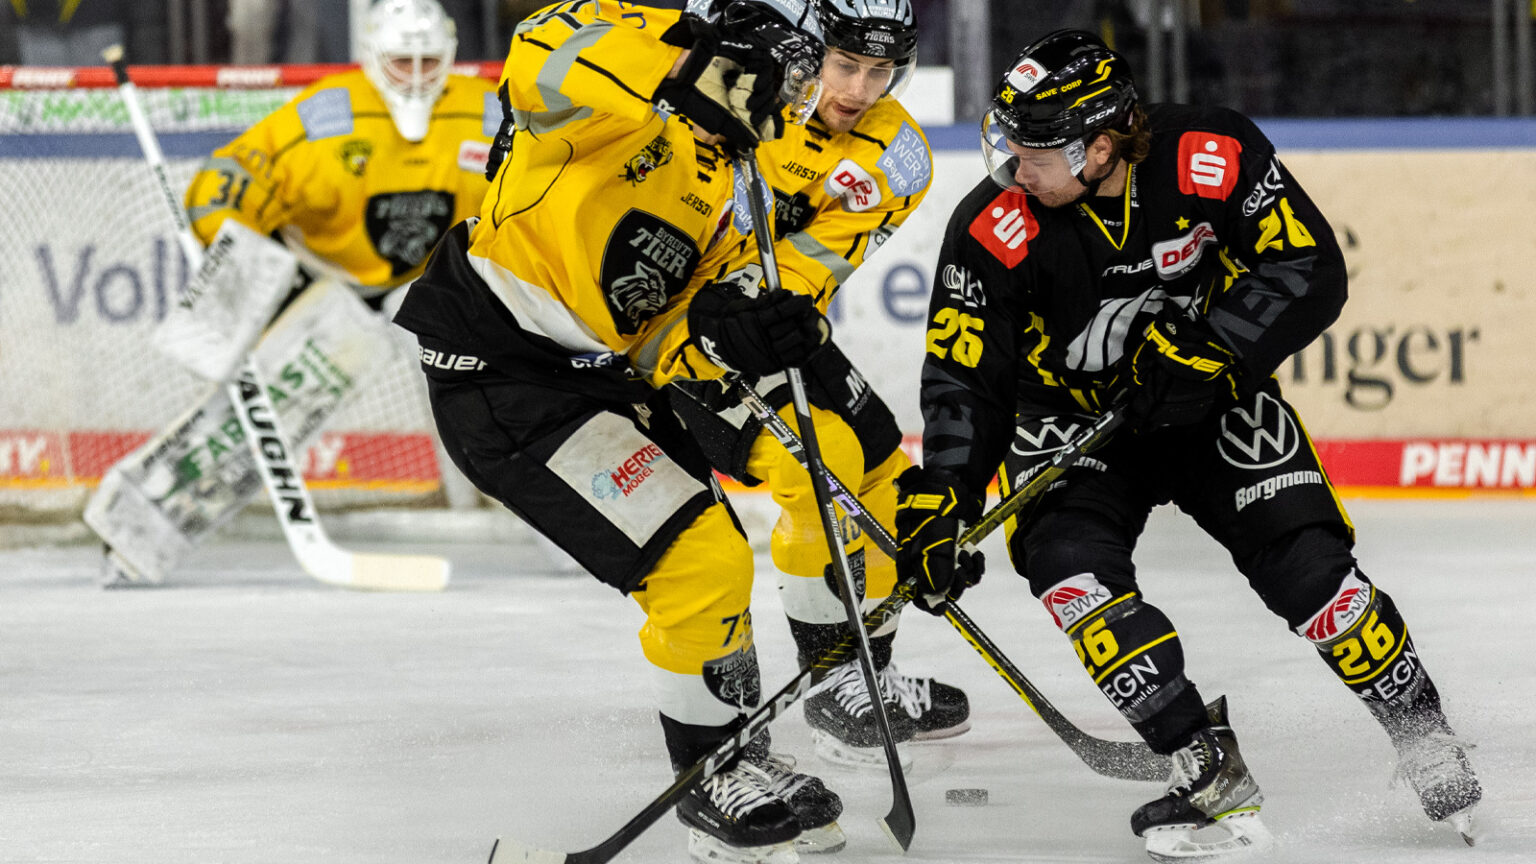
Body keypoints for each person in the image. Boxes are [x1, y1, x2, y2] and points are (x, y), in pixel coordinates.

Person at [895, 29, 1481, 860]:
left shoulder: (1212, 151)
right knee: (1071, 575)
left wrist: (1214, 349)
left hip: (1207, 401)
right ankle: (1202, 766)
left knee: (1316, 578)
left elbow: (1307, 265)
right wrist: (943, 496)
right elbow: (964, 377)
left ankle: (1425, 734)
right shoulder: (994, 226)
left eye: (1034, 152)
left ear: (1100, 146)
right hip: (1070, 424)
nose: (1012, 168)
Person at [392, 2, 847, 862]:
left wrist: (741, 328)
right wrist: (684, 61)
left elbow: (662, 324)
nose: (784, 103)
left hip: (598, 378)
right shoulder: (614, 108)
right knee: (699, 562)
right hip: (501, 376)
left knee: (717, 560)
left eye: (794, 86)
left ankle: (738, 754)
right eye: (774, 79)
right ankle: (712, 773)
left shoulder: (729, 180)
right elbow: (537, 51)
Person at [670, 0, 971, 772]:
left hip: (769, 326)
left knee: (883, 469)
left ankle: (864, 672)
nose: (861, 88)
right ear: (809, 49)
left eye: (880, 71)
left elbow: (811, 265)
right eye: (845, 64)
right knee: (824, 461)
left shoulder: (897, 150)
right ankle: (836, 682)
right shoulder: (733, 86)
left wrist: (774, 299)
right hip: (671, 340)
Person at [187, 0, 491, 306]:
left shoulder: (485, 111)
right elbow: (229, 177)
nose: (415, 77)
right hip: (314, 282)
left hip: (432, 287)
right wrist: (242, 258)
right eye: (401, 61)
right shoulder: (322, 115)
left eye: (428, 61)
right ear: (372, 55)